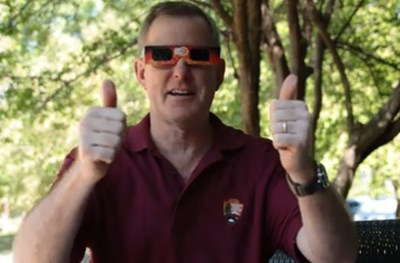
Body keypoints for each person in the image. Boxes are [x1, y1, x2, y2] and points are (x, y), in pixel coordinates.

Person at [12, 1, 358, 262]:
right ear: (141, 73)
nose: (180, 70)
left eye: (197, 56)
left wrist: (303, 170)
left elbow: (337, 257)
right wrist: (84, 174)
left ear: (218, 74)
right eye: (162, 55)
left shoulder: (264, 162)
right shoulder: (96, 162)